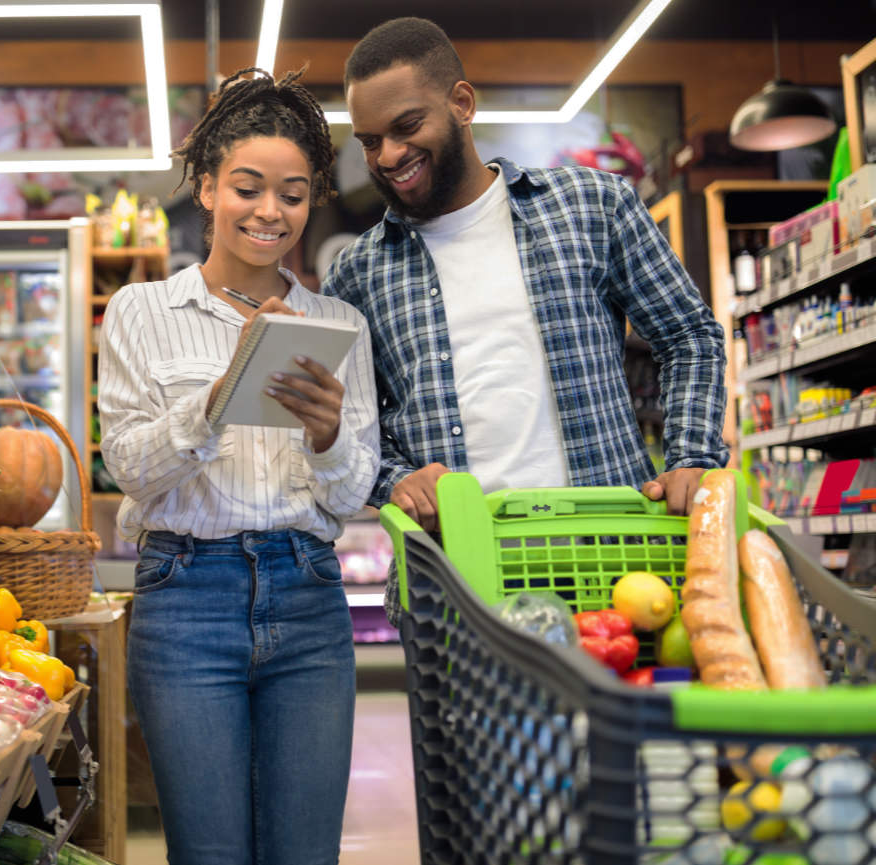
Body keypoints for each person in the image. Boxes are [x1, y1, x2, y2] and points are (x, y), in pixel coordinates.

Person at [321, 17, 729, 623]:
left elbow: (688, 335)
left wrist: (692, 455)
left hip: (613, 552)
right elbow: (349, 429)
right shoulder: (356, 273)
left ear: (461, 103)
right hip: (453, 575)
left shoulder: (594, 205)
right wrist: (395, 480)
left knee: (619, 716)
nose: (389, 156)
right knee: (464, 723)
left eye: (407, 127)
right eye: (369, 140)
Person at [97, 67, 380, 865]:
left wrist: (326, 435)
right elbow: (127, 466)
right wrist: (214, 402)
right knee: (209, 849)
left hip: (309, 597)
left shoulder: (337, 323)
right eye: (248, 187)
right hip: (184, 601)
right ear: (208, 187)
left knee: (304, 851)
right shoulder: (141, 311)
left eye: (292, 194)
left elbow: (353, 489)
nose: (270, 212)